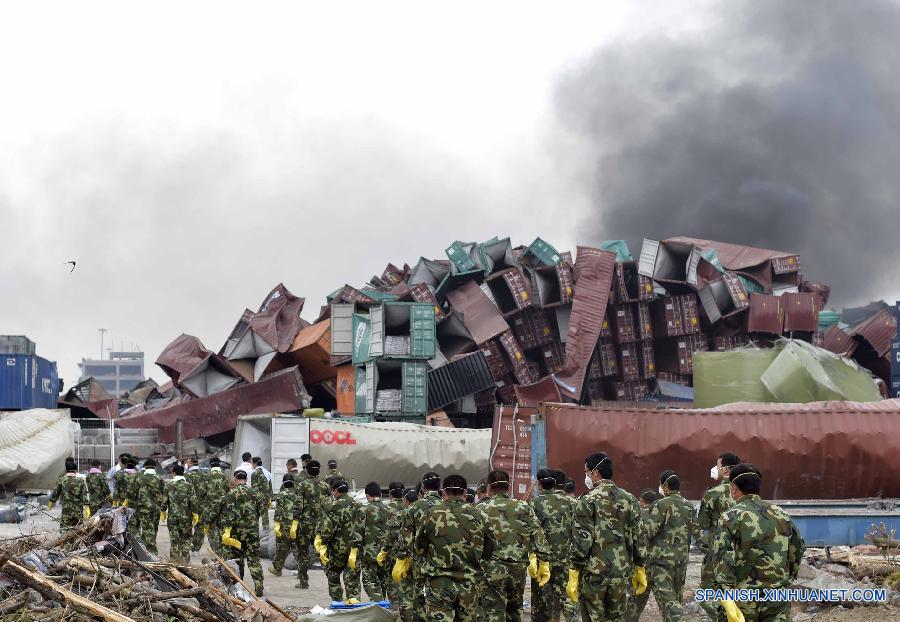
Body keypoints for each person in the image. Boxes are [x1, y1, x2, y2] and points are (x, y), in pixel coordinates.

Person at [712, 464, 805, 622]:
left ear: (734, 487)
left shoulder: (730, 517)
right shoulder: (781, 514)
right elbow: (798, 550)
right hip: (777, 597)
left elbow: (723, 559)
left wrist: (726, 597)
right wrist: (785, 578)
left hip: (743, 599)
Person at [568, 451, 648, 622]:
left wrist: (574, 569)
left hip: (594, 575)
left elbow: (583, 540)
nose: (586, 477)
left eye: (586, 472)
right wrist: (640, 566)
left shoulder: (588, 500)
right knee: (617, 617)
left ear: (595, 472)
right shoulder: (629, 499)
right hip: (620, 574)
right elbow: (639, 535)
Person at [414, 474, 496, 622]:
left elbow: (419, 547)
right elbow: (490, 548)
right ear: (465, 493)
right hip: (469, 584)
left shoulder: (431, 514)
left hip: (439, 583)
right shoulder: (480, 515)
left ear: (443, 492)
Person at [481, 470, 551, 622]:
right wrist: (543, 561)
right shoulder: (523, 507)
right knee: (515, 610)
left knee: (493, 611)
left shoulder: (481, 509)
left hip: (492, 569)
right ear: (508, 486)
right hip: (517, 570)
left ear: (489, 488)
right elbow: (538, 535)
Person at [626, 470, 696, 622]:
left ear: (665, 486)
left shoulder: (661, 504)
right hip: (681, 562)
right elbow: (695, 531)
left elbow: (648, 531)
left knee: (647, 601)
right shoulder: (689, 506)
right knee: (675, 600)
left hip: (659, 563)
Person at [394, 472, 443, 622]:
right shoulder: (446, 506)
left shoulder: (414, 508)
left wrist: (402, 558)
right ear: (440, 486)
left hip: (420, 564)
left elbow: (405, 539)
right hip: (444, 563)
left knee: (420, 601)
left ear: (422, 487)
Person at [698, 452, 740, 621]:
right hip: (742, 551)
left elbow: (703, 523)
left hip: (718, 552)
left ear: (726, 469)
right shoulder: (746, 489)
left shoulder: (713, 493)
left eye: (717, 465)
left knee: (707, 594)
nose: (715, 469)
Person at [530, 469, 575, 622]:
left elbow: (530, 531)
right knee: (567, 595)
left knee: (541, 601)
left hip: (543, 561)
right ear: (555, 484)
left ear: (539, 484)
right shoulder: (572, 502)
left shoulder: (534, 503)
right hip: (566, 559)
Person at [220, 470, 266, 597]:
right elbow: (263, 511)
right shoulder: (256, 493)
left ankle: (239, 585)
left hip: (237, 533)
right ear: (246, 479)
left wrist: (226, 530)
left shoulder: (231, 494)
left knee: (237, 559)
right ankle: (259, 584)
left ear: (235, 479)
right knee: (254, 559)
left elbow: (229, 514)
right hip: (252, 532)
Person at [317, 479, 361, 603]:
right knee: (352, 578)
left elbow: (327, 530)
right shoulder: (358, 505)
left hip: (337, 550)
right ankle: (354, 605)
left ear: (336, 491)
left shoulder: (333, 506)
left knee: (333, 574)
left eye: (332, 491)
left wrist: (323, 544)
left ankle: (338, 603)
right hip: (355, 550)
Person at [351, 482, 391, 601]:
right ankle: (383, 604)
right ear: (380, 494)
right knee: (383, 580)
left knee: (370, 581)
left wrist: (354, 550)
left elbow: (358, 533)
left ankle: (378, 604)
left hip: (369, 555)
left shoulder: (364, 510)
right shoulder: (390, 510)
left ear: (368, 496)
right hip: (386, 554)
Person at [297, 459, 332, 589]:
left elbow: (298, 505)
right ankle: (331, 579)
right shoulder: (326, 486)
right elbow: (329, 506)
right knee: (322, 552)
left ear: (306, 470)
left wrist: (295, 521)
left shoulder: (302, 485)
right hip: (321, 524)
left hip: (305, 524)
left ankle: (303, 581)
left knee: (303, 553)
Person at [163, 464, 199, 563]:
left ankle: (174, 564)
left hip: (172, 517)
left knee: (174, 541)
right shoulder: (189, 486)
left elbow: (164, 502)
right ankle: (185, 562)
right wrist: (195, 513)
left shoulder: (169, 486)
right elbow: (194, 501)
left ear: (174, 473)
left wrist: (163, 511)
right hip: (186, 518)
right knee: (186, 539)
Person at [269, 473, 303, 577]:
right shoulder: (299, 494)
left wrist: (277, 524)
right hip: (297, 525)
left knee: (281, 548)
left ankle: (277, 569)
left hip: (285, 525)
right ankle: (301, 573)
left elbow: (279, 511)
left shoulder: (281, 495)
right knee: (297, 549)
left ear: (283, 483)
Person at [132, 459, 165, 554]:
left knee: (146, 531)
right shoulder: (159, 479)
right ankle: (150, 552)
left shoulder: (139, 478)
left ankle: (148, 553)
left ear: (145, 467)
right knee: (153, 530)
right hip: (156, 510)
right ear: (154, 467)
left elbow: (133, 494)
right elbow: (164, 493)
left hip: (143, 509)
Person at [49, 461, 89, 528]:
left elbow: (55, 493)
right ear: (76, 470)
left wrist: (51, 502)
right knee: (78, 529)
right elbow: (84, 495)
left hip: (66, 510)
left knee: (64, 528)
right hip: (78, 510)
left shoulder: (62, 480)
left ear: (66, 470)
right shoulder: (80, 481)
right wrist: (87, 506)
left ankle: (65, 538)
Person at [204, 457, 232, 556]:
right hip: (223, 509)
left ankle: (216, 554)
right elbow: (229, 493)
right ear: (219, 464)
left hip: (210, 510)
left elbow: (202, 494)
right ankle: (224, 554)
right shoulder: (225, 477)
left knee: (212, 532)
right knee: (223, 531)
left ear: (210, 465)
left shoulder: (207, 477)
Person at [184, 457, 208, 552]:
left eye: (188, 462)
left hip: (189, 505)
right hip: (201, 505)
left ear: (191, 463)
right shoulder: (203, 475)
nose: (186, 463)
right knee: (200, 527)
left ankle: (188, 545)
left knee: (188, 525)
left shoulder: (186, 475)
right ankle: (196, 547)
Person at [251, 457, 273, 529]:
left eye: (252, 463)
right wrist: (270, 497)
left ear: (255, 463)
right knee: (265, 514)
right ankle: (266, 529)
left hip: (258, 497)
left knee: (256, 514)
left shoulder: (254, 473)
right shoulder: (267, 472)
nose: (252, 465)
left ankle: (255, 529)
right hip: (266, 497)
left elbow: (253, 487)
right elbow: (270, 486)